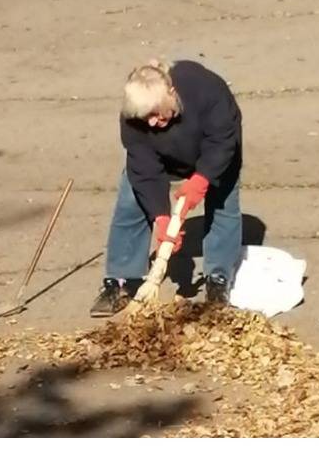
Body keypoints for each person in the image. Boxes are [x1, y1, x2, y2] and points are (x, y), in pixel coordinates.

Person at [93, 57, 244, 315]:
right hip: (162, 157)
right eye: (144, 117)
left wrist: (202, 178)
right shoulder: (133, 115)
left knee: (223, 204)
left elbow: (223, 140)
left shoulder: (206, 89)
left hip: (212, 152)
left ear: (171, 93)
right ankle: (121, 280)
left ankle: (218, 279)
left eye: (154, 113)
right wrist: (161, 216)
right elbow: (143, 168)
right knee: (132, 202)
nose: (150, 122)